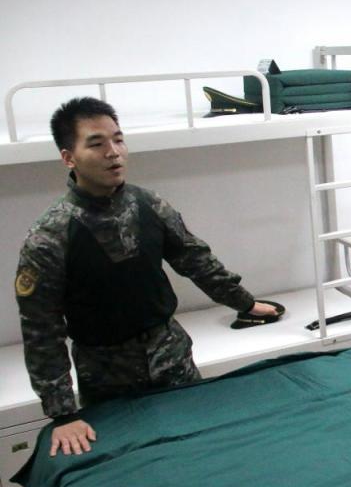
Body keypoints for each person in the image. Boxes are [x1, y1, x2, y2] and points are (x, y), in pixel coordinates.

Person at [15, 97, 280, 457]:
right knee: (135, 465)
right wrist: (63, 414)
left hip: (173, 360)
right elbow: (41, 329)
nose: (114, 152)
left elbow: (197, 261)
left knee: (202, 453)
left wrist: (245, 304)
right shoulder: (50, 236)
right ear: (68, 157)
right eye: (97, 143)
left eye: (118, 139)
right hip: (106, 379)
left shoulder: (149, 205)